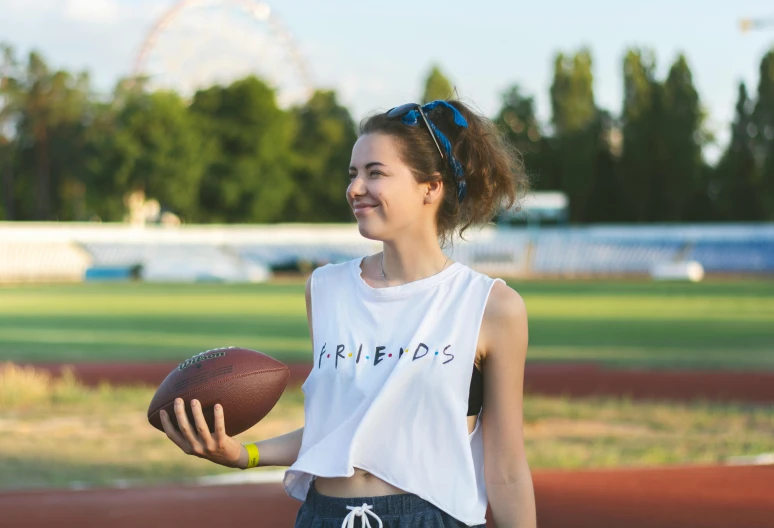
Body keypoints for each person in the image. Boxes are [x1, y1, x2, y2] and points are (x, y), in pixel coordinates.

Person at [160, 99, 536, 527]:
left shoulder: (490, 306)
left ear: (431, 187)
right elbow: (339, 429)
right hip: (325, 516)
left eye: (375, 173)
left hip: (430, 517)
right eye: (353, 174)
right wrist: (244, 454)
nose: (355, 188)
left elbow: (506, 471)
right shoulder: (325, 289)